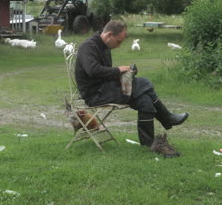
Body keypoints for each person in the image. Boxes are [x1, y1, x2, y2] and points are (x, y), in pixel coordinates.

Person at [75, 20, 189, 157]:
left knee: (144, 99)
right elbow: (93, 71)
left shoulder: (104, 48)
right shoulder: (88, 47)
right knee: (144, 83)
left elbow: (105, 74)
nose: (119, 46)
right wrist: (118, 70)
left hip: (106, 89)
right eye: (118, 41)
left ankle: (147, 145)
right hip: (95, 95)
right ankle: (167, 118)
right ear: (109, 35)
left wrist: (126, 73)